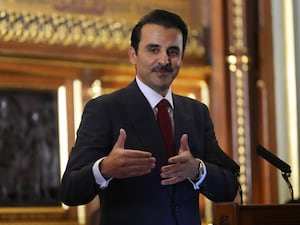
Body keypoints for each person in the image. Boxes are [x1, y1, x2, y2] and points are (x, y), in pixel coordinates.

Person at [60, 9, 239, 225]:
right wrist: (104, 169)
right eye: (154, 49)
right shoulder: (104, 109)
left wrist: (197, 170)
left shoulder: (196, 112)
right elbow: (69, 191)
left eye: (173, 51)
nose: (164, 60)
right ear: (133, 54)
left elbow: (229, 188)